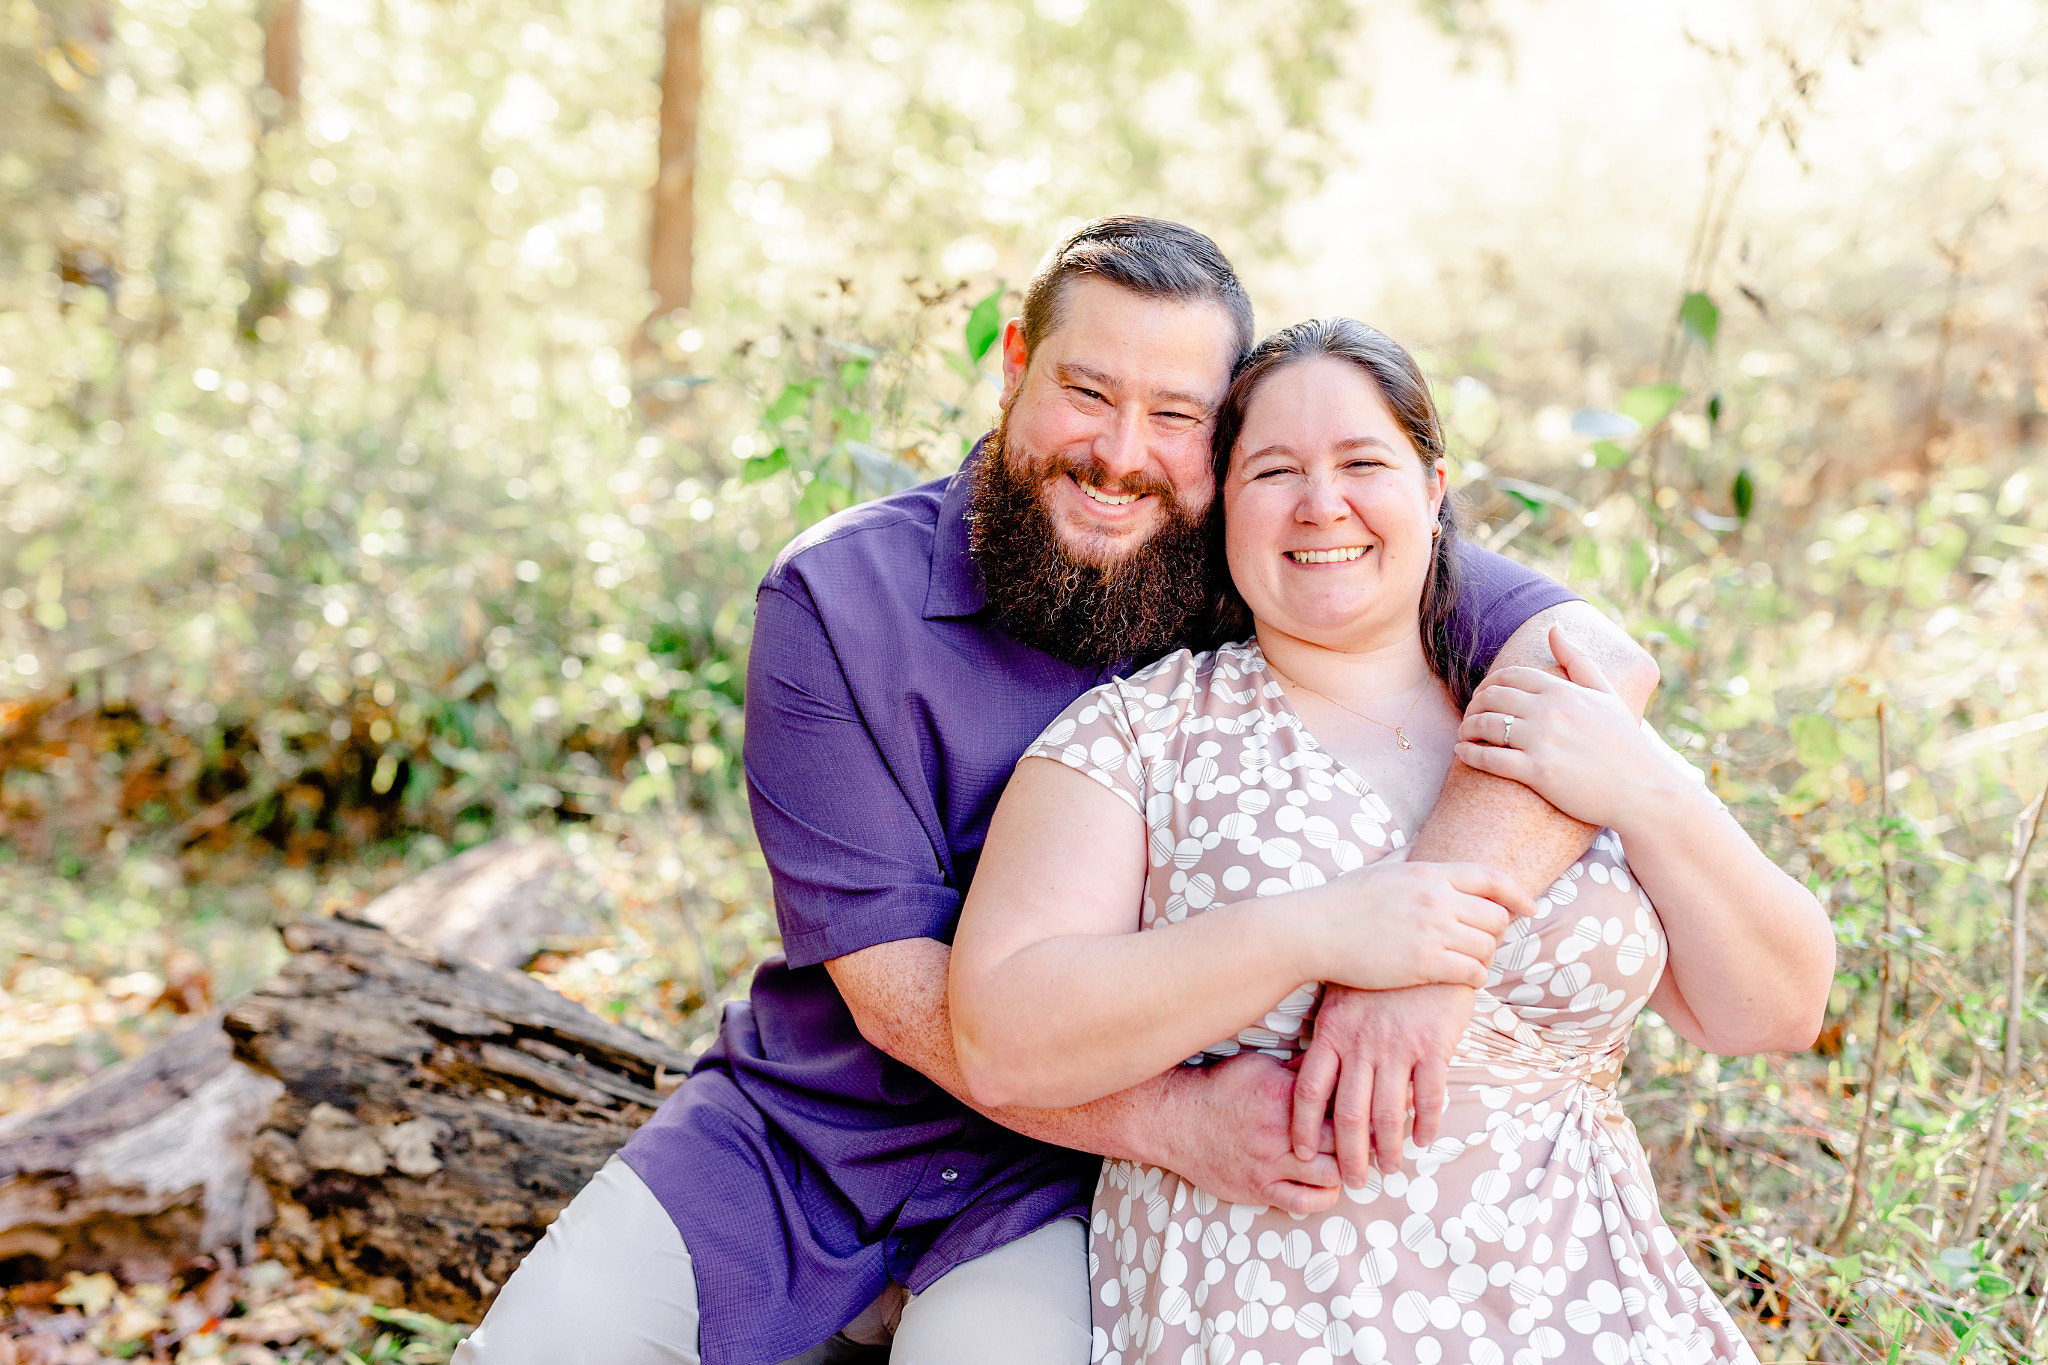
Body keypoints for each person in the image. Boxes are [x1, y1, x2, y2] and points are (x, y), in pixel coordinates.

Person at [454, 220, 1660, 1365]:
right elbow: (891, 994)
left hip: (1054, 1192)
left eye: (1175, 415)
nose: (1122, 454)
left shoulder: (1266, 557)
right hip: (807, 1135)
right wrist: (1170, 1123)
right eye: (1087, 392)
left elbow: (1590, 662)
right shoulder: (835, 599)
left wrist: (1419, 955)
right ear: (1014, 367)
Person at [948, 317, 1834, 1365]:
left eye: (1362, 463)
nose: (1321, 505)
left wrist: (1642, 785)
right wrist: (1319, 934)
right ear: (1219, 508)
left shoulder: (1551, 711)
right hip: (1278, 1311)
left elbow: (1775, 1009)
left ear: (1433, 487)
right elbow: (1000, 1037)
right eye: (1273, 470)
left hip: (1588, 1305)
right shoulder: (1140, 735)